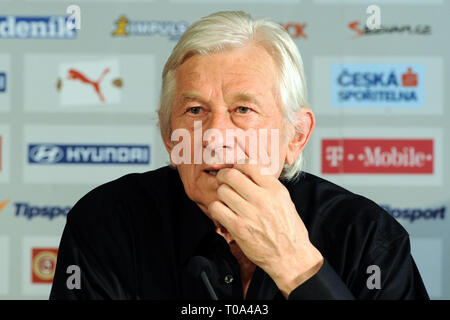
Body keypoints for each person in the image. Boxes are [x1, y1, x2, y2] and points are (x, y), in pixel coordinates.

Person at [50, 11, 429, 300]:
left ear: (296, 136)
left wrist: (297, 266)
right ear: (169, 136)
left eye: (243, 110)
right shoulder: (106, 223)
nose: (215, 135)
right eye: (195, 111)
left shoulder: (368, 237)